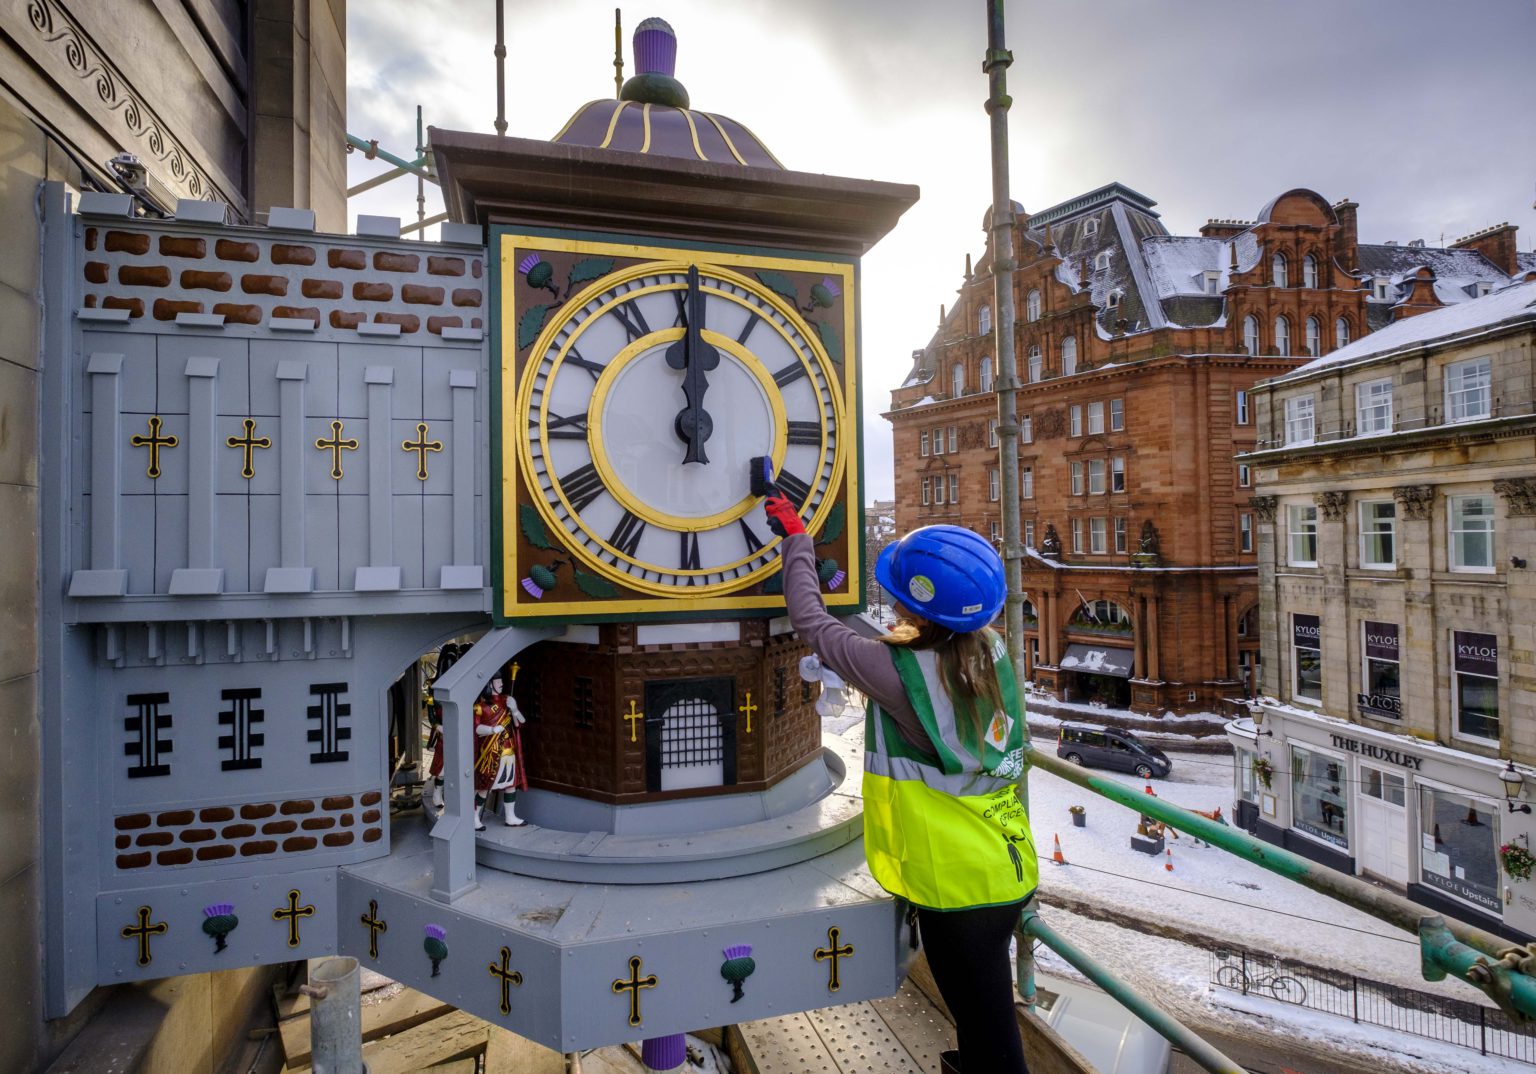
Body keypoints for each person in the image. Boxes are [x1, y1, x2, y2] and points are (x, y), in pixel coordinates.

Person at [765, 494, 1035, 1074]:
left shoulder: (896, 673)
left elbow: (813, 622)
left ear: (917, 605)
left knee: (984, 1024)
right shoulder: (988, 650)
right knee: (987, 1017)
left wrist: (797, 541)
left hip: (955, 889)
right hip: (1003, 866)